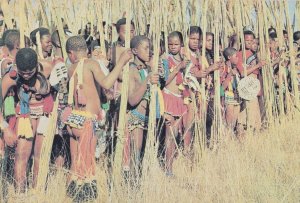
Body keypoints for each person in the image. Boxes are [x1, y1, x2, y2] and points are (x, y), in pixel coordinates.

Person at [64, 36, 131, 201]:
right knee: (87, 168)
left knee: (75, 166)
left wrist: (103, 97)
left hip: (73, 121)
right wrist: (121, 62)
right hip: (87, 122)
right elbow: (107, 83)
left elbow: (90, 92)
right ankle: (85, 199)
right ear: (86, 51)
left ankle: (69, 196)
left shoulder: (71, 68)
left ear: (71, 54)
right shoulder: (91, 64)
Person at [1, 48, 50, 192]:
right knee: (21, 156)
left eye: (30, 72)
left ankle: (38, 193)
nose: (27, 76)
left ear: (36, 66)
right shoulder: (10, 78)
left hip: (44, 116)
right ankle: (20, 196)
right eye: (23, 73)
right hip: (24, 117)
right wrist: (5, 128)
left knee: (40, 156)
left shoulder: (47, 68)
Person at [124, 35, 159, 180]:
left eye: (150, 48)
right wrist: (147, 80)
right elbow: (132, 100)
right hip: (136, 118)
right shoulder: (132, 70)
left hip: (147, 119)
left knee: (142, 154)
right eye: (145, 48)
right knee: (135, 154)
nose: (149, 51)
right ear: (135, 51)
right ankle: (132, 186)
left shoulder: (147, 68)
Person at [162, 31, 187, 176]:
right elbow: (165, 80)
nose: (173, 47)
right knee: (169, 135)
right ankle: (168, 169)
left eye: (176, 44)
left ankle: (171, 165)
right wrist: (178, 67)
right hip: (168, 98)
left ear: (181, 44)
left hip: (179, 98)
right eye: (170, 44)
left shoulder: (184, 59)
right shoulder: (165, 58)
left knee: (176, 134)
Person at [236, 30, 265, 133]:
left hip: (254, 84)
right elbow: (243, 73)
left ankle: (253, 140)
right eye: (247, 40)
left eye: (251, 40)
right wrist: (257, 65)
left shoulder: (254, 54)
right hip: (247, 85)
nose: (249, 42)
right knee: (246, 114)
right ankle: (243, 138)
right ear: (242, 41)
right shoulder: (239, 54)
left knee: (254, 112)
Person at [222, 47, 241, 132]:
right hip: (228, 95)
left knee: (233, 123)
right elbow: (222, 87)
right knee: (228, 123)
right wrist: (230, 74)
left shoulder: (236, 68)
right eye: (236, 56)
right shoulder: (223, 68)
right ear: (229, 57)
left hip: (237, 96)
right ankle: (227, 140)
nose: (238, 58)